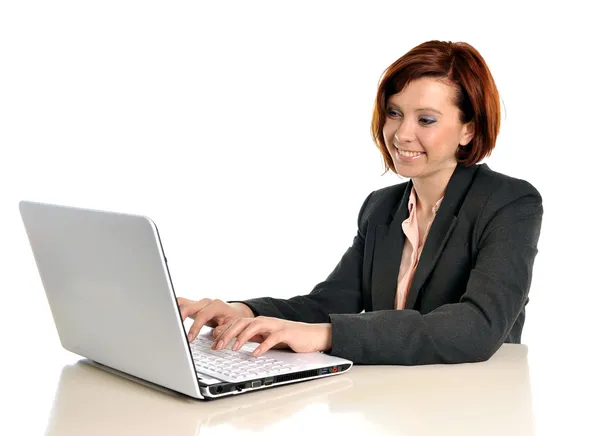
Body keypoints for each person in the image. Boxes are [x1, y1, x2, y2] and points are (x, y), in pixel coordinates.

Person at [177, 40, 543, 365]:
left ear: (469, 129)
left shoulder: (509, 203)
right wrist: (241, 311)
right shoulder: (382, 208)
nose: (401, 134)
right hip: (391, 403)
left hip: (476, 407)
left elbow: (476, 327)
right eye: (395, 112)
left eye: (426, 119)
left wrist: (328, 335)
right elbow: (329, 303)